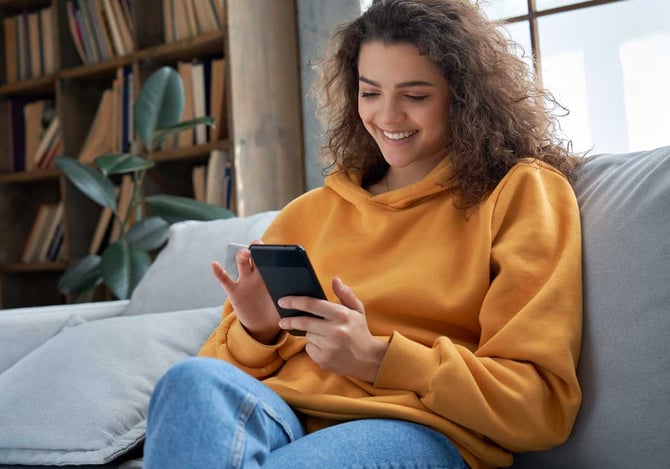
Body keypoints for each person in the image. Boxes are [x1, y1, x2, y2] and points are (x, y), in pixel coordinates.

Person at [143, 0, 583, 467]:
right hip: (283, 414)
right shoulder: (310, 212)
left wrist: (377, 357)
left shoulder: (519, 192)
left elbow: (539, 406)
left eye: (415, 96)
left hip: (414, 427)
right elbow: (223, 383)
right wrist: (259, 330)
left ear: (464, 96)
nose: (388, 117)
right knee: (189, 381)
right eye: (370, 92)